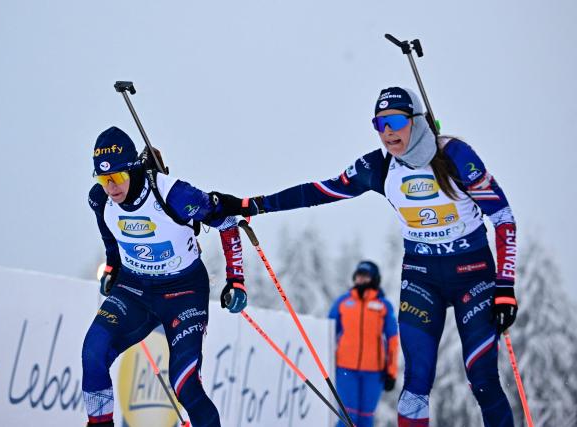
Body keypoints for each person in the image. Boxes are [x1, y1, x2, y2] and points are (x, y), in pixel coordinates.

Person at [212, 87, 518, 426]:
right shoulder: (380, 166)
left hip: (472, 273)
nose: (387, 132)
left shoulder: (456, 156)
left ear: (417, 121)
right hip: (422, 276)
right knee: (415, 385)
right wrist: (252, 204)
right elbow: (321, 191)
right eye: (379, 123)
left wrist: (505, 287)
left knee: (483, 379)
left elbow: (503, 217)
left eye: (396, 121)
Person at [83, 126, 248, 427]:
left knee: (185, 385)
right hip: (134, 289)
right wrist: (111, 266)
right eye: (103, 179)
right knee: (93, 352)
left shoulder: (172, 193)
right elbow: (110, 235)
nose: (111, 187)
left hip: (182, 292)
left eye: (117, 177)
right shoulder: (100, 200)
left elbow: (226, 222)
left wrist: (235, 279)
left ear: (132, 170)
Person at [328, 260, 398, 427]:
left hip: (374, 373)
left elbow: (393, 340)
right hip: (345, 369)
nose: (361, 279)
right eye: (358, 276)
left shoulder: (384, 306)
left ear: (374, 279)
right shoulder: (343, 303)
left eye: (365, 276)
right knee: (347, 416)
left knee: (366, 417)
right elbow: (328, 332)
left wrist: (391, 371)